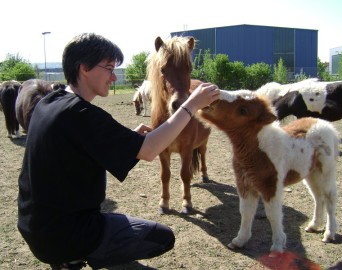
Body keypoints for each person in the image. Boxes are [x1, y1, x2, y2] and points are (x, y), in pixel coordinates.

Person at [17, 33, 220, 270]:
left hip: (35, 227)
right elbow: (149, 150)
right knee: (161, 237)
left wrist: (127, 140)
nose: (114, 77)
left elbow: (81, 148)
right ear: (84, 68)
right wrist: (192, 104)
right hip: (68, 233)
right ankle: (76, 257)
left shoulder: (51, 102)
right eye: (109, 68)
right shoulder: (83, 115)